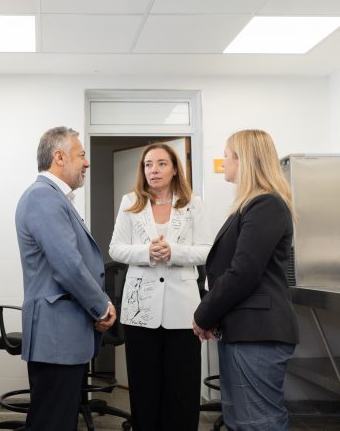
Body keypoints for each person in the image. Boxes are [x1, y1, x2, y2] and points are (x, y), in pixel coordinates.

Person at [192, 129, 299, 431]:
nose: (223, 162)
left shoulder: (266, 205)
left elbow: (243, 273)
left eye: (226, 156)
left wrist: (203, 315)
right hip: (244, 331)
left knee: (257, 422)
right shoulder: (250, 206)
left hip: (258, 334)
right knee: (241, 421)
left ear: (244, 160)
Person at [15, 126, 116, 431]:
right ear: (59, 157)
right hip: (56, 335)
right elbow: (69, 266)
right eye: (81, 155)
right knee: (53, 423)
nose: (86, 162)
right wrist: (101, 307)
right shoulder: (43, 197)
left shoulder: (54, 198)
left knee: (58, 420)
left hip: (63, 335)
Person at [109, 142, 212, 431]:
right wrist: (146, 253)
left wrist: (174, 253)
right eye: (148, 165)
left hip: (183, 310)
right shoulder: (131, 202)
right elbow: (116, 249)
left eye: (161, 163)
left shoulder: (193, 204)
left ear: (175, 168)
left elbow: (206, 250)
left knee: (182, 389)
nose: (153, 170)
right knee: (144, 388)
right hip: (141, 309)